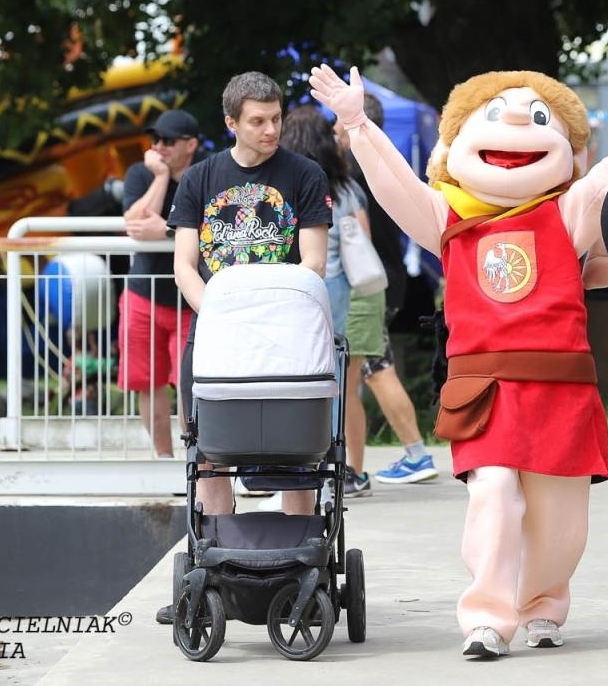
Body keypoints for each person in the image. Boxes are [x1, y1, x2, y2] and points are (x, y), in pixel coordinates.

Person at [310, 62, 608, 659]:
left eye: (537, 121)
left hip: (559, 387)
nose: (517, 133)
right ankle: (487, 618)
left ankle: (545, 604)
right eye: (496, 120)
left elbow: (607, 178)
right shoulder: (449, 216)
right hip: (487, 388)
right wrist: (358, 125)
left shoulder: (566, 213)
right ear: (457, 141)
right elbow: (396, 187)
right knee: (495, 495)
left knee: (560, 519)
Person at [168, 73, 332, 519]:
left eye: (276, 118)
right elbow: (185, 264)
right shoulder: (200, 179)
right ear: (231, 123)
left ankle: (301, 554)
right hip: (214, 338)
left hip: (286, 338)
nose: (272, 130)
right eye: (258, 120)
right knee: (208, 456)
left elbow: (313, 262)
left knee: (298, 456)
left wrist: (265, 315)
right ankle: (220, 549)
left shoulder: (306, 175)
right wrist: (223, 317)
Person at [339, 93, 439, 488]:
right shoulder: (386, 164)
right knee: (374, 368)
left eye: (337, 125)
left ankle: (412, 454)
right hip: (389, 276)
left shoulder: (351, 171)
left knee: (374, 371)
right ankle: (414, 453)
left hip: (368, 283)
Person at [278, 105, 377, 496]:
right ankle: (341, 467)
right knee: (335, 381)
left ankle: (292, 460)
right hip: (336, 290)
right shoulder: (347, 189)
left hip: (292, 288)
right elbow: (363, 243)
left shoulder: (286, 184)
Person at [118, 108, 202, 459]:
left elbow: (212, 224)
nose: (159, 146)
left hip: (190, 300)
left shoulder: (205, 172)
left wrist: (167, 229)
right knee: (146, 383)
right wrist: (161, 178)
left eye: (168, 140)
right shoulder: (142, 173)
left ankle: (191, 463)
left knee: (190, 386)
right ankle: (163, 460)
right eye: (155, 140)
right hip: (144, 295)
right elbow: (134, 223)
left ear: (191, 144)